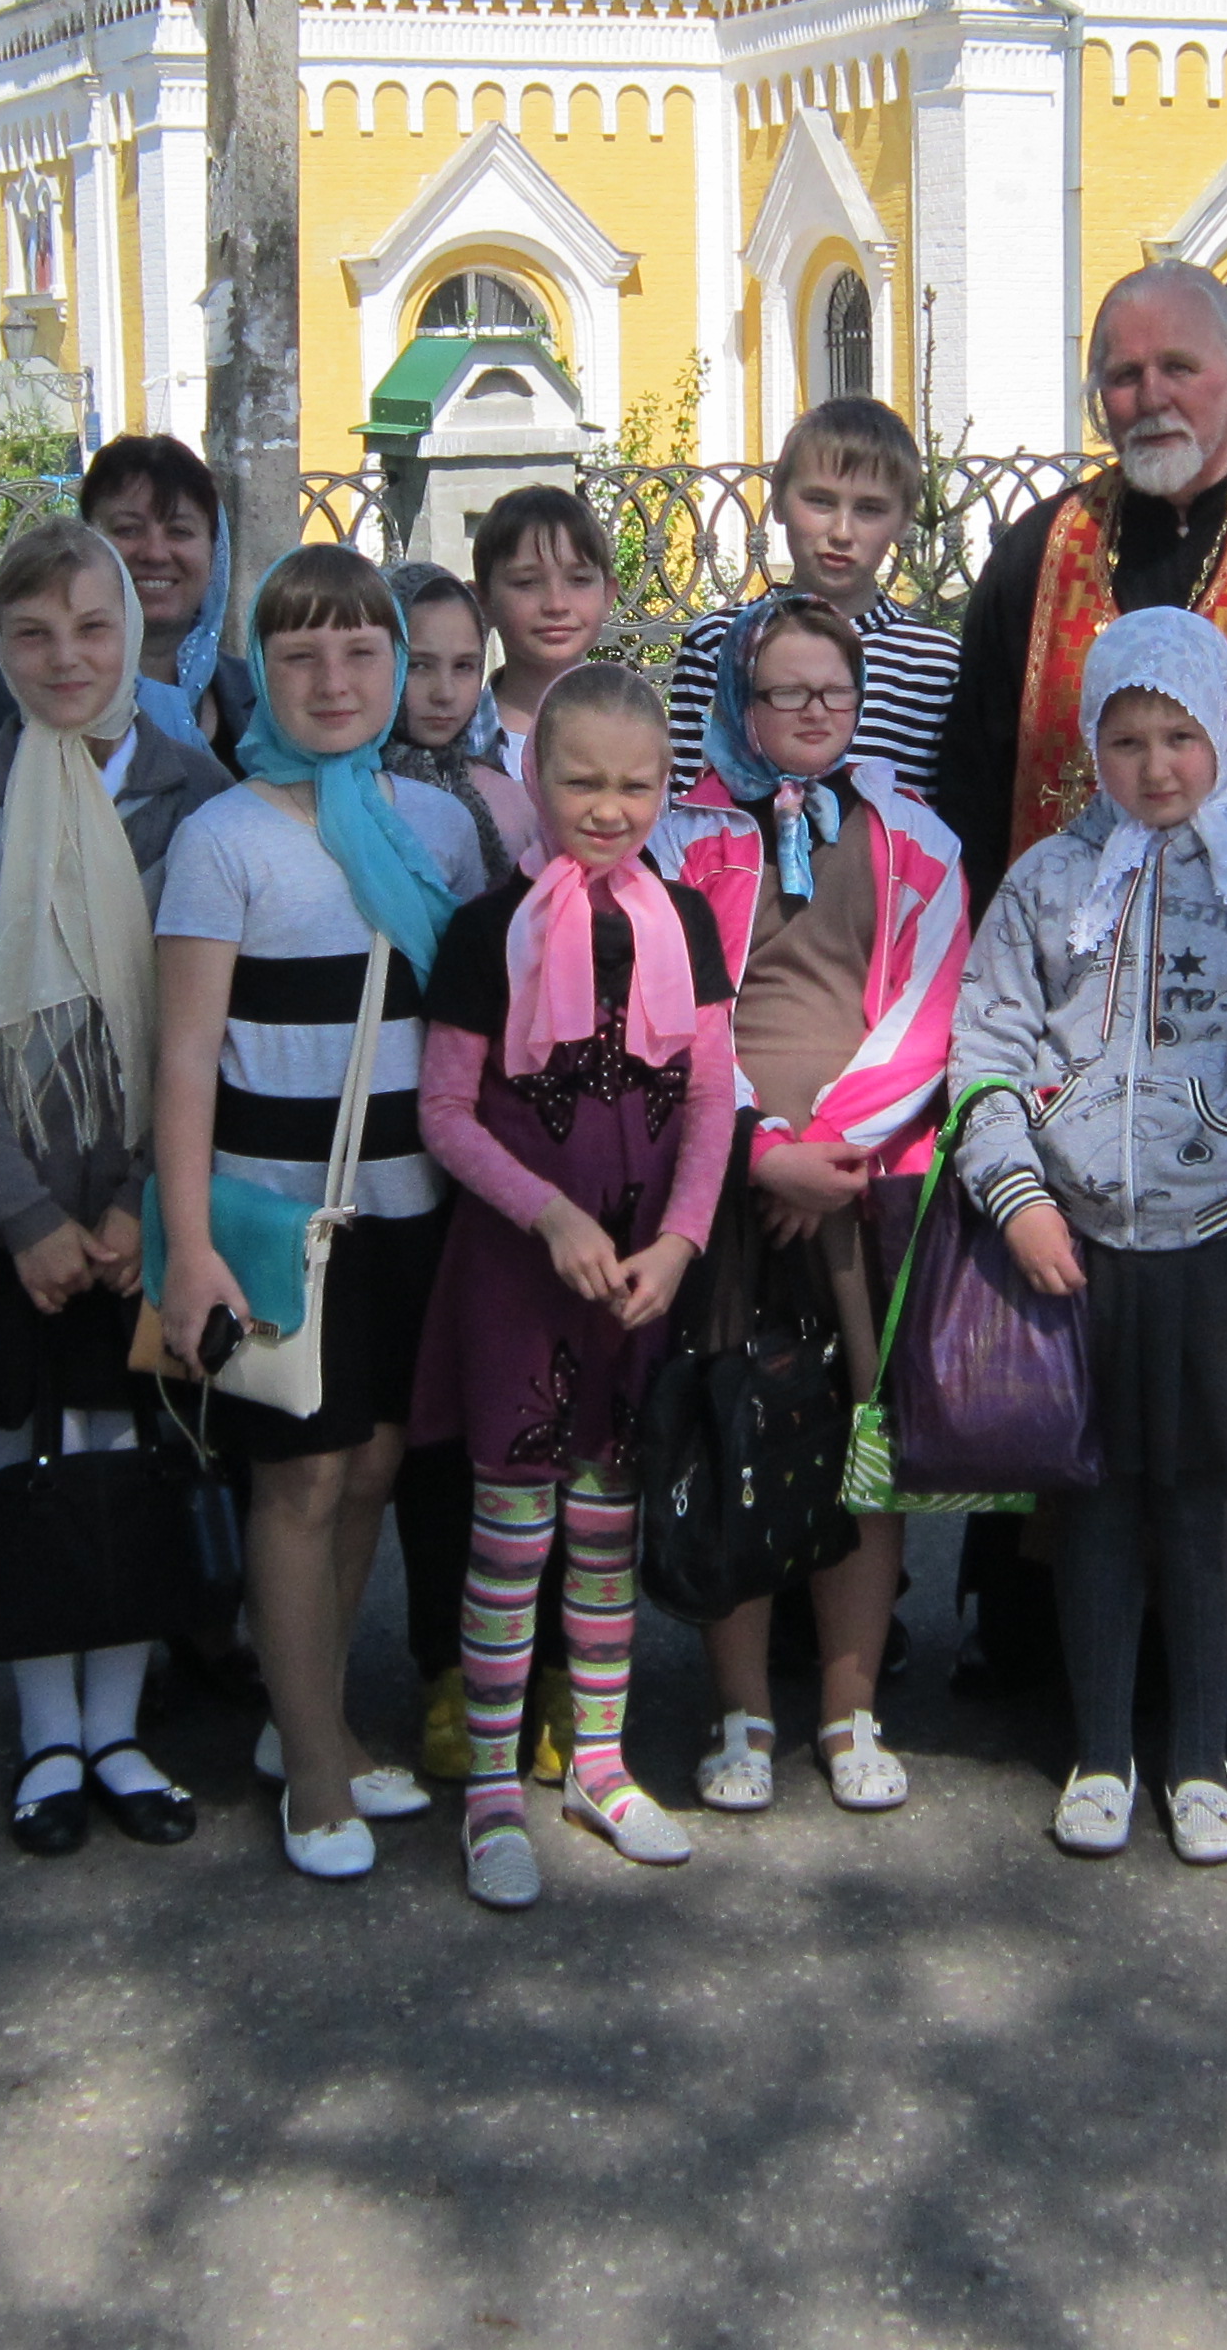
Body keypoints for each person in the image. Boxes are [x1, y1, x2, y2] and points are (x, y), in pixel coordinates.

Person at [951, 609, 1227, 1864]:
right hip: (1077, 1245)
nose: (1155, 766)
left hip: (1221, 1246)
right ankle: (1100, 1751)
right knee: (1094, 1505)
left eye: (1180, 736)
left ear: (1225, 730)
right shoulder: (1049, 878)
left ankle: (1197, 1753)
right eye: (1125, 739)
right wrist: (1014, 1192)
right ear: (1092, 742)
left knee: (1197, 1502)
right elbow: (988, 1050)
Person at [150, 544, 485, 1880]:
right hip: (285, 1225)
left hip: (412, 1213)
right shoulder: (220, 839)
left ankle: (314, 1729)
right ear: (263, 672)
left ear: (396, 667)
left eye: (360, 651)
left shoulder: (439, 826)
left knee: (372, 1472)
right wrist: (186, 1254)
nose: (333, 678)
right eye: (299, 655)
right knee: (296, 1483)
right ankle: (313, 1785)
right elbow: (183, 1060)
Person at [0, 517, 237, 1857]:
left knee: (130, 1456)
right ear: (2, 643)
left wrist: (133, 1208)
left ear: (132, 635)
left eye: (92, 629)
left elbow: (204, 1015)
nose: (65, 658)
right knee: (25, 1461)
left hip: (144, 1204)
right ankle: (48, 1735)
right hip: (16, 1217)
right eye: (33, 634)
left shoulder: (194, 790)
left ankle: (119, 1726)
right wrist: (32, 1215)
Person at [406, 663, 739, 1907]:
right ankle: (494, 1785)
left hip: (638, 1282)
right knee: (509, 1540)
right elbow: (445, 1111)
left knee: (608, 1532)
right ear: (533, 777)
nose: (608, 807)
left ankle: (597, 1760)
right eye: (580, 779)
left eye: (637, 783)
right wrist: (545, 1215)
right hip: (521, 1274)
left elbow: (709, 1096)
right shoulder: (486, 930)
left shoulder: (685, 922)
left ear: (670, 786)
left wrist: (685, 1242)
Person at [657, 592, 974, 1813]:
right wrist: (755, 1144)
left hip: (860, 1184)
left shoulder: (911, 833)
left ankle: (848, 1710)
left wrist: (830, 1143)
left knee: (860, 1447)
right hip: (730, 1180)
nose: (810, 714)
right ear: (740, 699)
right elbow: (677, 1013)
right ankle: (740, 1711)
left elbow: (933, 997)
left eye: (831, 694)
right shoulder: (682, 836)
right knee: (734, 1430)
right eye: (784, 693)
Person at [934, 264, 1227, 906]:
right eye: (1125, 376)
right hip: (1065, 963)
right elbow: (972, 785)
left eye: (1179, 367)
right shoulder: (1036, 554)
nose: (1152, 397)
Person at [378, 553, 545, 1780]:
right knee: (411, 1426)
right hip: (377, 1135)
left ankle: (519, 1672)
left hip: (494, 1139)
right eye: (413, 662)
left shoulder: (507, 795)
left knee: (497, 1418)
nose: (438, 689)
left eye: (456, 664)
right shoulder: (338, 790)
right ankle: (441, 1661)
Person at [666, 396, 961, 795]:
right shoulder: (718, 642)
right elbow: (687, 801)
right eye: (820, 501)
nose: (841, 531)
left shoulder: (933, 665)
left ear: (903, 520)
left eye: (869, 509)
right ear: (780, 500)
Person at [0, 435, 255, 772]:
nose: (155, 553)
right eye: (128, 530)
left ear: (214, 550)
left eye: (179, 531)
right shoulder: (14, 683)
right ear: (86, 543)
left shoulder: (254, 692)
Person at [384, 559, 543, 890]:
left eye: (464, 666)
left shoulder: (514, 807)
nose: (444, 693)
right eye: (418, 666)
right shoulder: (342, 795)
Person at [468, 485, 617, 778]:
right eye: (526, 583)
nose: (556, 605)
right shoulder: (454, 739)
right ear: (483, 600)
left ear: (608, 595)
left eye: (579, 580)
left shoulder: (636, 732)